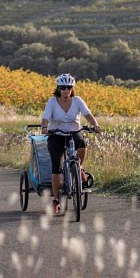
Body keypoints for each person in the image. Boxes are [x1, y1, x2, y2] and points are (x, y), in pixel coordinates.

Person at [41, 73, 101, 215]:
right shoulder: (52, 101)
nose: (66, 90)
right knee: (57, 168)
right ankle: (56, 200)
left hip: (74, 133)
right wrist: (45, 128)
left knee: (82, 145)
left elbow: (87, 114)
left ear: (72, 89)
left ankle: (78, 168)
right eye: (63, 88)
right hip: (56, 135)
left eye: (69, 87)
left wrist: (95, 124)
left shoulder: (78, 100)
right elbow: (45, 118)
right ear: (58, 89)